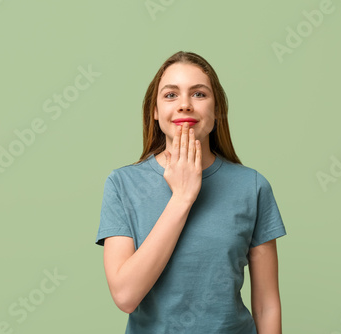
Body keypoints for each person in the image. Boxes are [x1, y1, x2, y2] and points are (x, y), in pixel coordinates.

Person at [94, 51, 287, 333]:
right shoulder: (122, 184)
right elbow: (125, 296)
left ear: (217, 110)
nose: (184, 105)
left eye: (199, 94)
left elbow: (266, 305)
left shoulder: (252, 187)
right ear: (155, 111)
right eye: (171, 95)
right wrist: (182, 197)